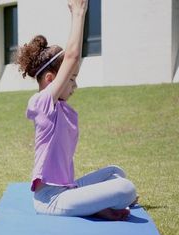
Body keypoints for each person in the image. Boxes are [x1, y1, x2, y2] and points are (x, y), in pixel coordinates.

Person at [16, 0, 137, 221]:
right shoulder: (41, 103)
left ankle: (93, 206)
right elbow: (71, 57)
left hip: (68, 189)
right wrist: (78, 13)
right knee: (126, 188)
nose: (75, 86)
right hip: (51, 200)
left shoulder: (58, 107)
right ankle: (95, 205)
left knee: (115, 172)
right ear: (52, 79)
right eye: (71, 79)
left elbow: (70, 61)